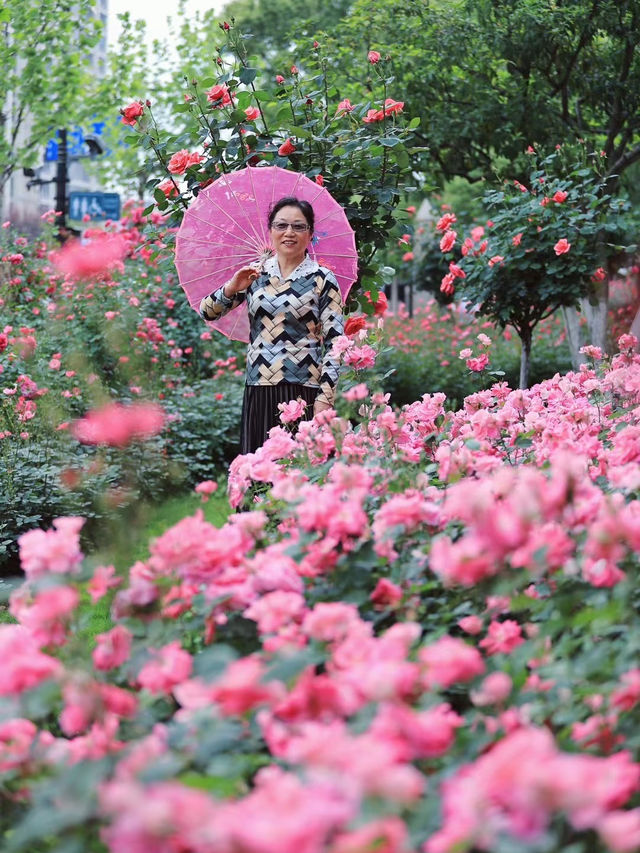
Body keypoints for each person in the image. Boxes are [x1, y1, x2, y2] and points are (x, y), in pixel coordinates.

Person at [199, 196, 344, 454]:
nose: (289, 232)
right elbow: (208, 312)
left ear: (310, 233)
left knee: (300, 472)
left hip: (304, 390)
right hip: (258, 387)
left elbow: (336, 344)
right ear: (271, 231)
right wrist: (232, 287)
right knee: (259, 472)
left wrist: (326, 396)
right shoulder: (254, 274)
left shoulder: (323, 278)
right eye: (281, 225)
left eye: (298, 226)